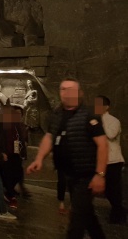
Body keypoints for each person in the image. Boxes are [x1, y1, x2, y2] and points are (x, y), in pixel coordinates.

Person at [27, 79, 108, 239]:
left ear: (79, 93)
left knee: (76, 220)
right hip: (69, 174)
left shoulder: (89, 115)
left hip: (86, 175)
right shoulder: (57, 114)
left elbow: (103, 145)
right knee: (87, 215)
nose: (66, 92)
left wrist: (100, 175)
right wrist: (39, 158)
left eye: (70, 89)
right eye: (63, 89)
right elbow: (50, 137)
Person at [95, 95, 126, 224]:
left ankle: (118, 214)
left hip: (114, 161)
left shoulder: (114, 121)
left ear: (106, 107)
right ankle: (119, 211)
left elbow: (111, 135)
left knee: (113, 188)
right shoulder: (95, 120)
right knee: (106, 189)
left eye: (99, 105)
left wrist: (99, 122)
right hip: (103, 161)